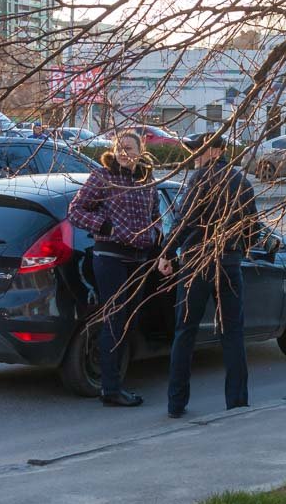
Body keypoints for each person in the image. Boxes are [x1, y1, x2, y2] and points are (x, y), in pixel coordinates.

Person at [158, 132, 261, 417]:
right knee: (233, 334)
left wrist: (166, 253)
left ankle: (176, 403)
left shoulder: (200, 179)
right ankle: (237, 403)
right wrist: (240, 248)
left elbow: (184, 221)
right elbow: (253, 229)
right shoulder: (241, 182)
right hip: (228, 265)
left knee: (185, 332)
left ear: (215, 150)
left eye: (197, 150)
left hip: (196, 265)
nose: (193, 155)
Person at [67, 129, 161, 407]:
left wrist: (155, 237)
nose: (124, 152)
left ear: (140, 151)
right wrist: (104, 225)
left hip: (140, 258)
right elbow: (75, 211)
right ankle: (111, 389)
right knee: (115, 318)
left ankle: (117, 384)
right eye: (120, 148)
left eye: (130, 148)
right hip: (110, 255)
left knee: (129, 320)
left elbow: (156, 215)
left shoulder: (147, 179)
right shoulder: (103, 177)